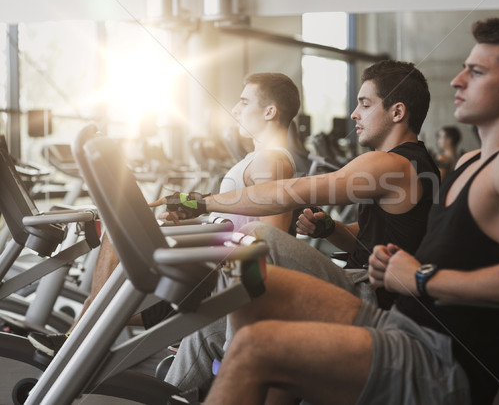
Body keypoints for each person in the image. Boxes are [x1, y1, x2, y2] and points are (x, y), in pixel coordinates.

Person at [199, 17, 499, 405]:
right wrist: (384, 257)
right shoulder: (472, 160)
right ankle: (233, 371)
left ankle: (215, 373)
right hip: (405, 320)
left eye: (475, 72)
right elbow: (435, 243)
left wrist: (421, 277)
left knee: (257, 329)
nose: (457, 81)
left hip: (438, 356)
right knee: (255, 294)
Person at [157, 60, 440, 393]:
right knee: (206, 327)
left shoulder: (391, 162)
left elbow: (286, 195)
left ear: (397, 112)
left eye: (364, 104)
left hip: (377, 295)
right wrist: (329, 229)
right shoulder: (409, 163)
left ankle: (244, 358)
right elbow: (370, 242)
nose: (354, 114)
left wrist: (197, 203)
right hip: (366, 279)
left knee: (259, 238)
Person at [27, 72, 301, 356]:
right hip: (214, 261)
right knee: (117, 231)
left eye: (244, 102)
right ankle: (79, 334)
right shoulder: (259, 158)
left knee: (117, 236)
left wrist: (209, 248)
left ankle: (77, 338)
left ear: (270, 111)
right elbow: (243, 215)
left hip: (221, 275)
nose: (235, 109)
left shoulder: (272, 160)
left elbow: (273, 239)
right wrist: (191, 217)